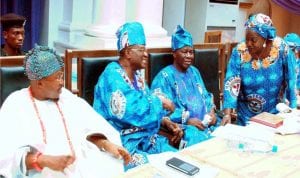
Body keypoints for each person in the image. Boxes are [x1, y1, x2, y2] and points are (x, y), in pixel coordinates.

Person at [0, 45, 131, 178]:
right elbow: (7, 157)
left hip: (81, 168)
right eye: (57, 78)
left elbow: (90, 127)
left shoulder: (66, 97)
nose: (62, 82)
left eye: (62, 76)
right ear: (39, 83)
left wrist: (106, 144)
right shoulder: (16, 104)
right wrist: (43, 160)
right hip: (41, 173)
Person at [93, 22, 183, 170]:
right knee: (158, 170)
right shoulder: (112, 75)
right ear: (128, 52)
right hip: (122, 146)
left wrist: (164, 121)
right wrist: (160, 102)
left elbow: (147, 107)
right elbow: (130, 109)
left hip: (147, 140)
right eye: (141, 49)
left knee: (178, 162)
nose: (146, 54)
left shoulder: (138, 77)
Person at [222, 13, 297, 126]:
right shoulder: (240, 51)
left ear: (265, 38)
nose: (248, 44)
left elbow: (291, 79)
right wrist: (227, 114)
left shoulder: (282, 49)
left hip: (275, 115)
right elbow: (231, 81)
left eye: (253, 40)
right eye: (246, 39)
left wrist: (293, 108)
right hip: (247, 116)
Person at [151, 25, 220, 147]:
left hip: (208, 124)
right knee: (202, 143)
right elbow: (159, 110)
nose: (189, 56)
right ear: (174, 53)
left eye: (191, 52)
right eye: (184, 52)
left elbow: (206, 96)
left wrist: (212, 113)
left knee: (227, 137)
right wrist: (187, 121)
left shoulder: (194, 72)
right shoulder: (164, 77)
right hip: (185, 128)